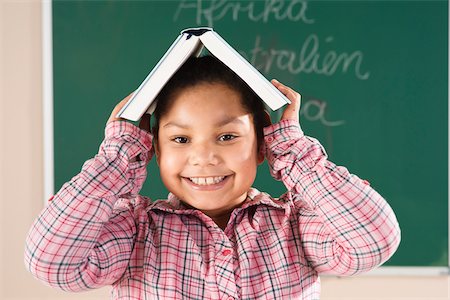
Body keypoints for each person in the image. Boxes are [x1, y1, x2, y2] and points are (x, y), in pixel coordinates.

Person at [25, 55, 400, 299]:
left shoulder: (293, 226)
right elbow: (53, 266)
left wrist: (292, 148)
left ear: (262, 146)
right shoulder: (136, 231)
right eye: (181, 138)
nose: (204, 157)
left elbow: (371, 244)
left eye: (227, 136)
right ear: (154, 149)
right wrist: (119, 155)